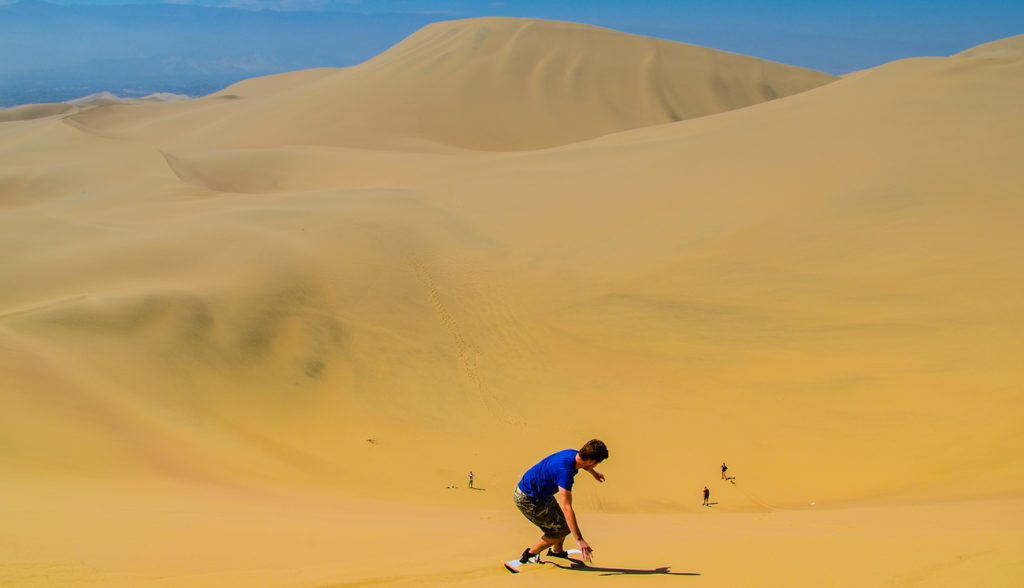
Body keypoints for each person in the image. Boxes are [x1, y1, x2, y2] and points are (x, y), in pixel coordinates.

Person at [506, 439, 608, 571]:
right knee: (560, 531)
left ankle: (557, 551)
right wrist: (579, 540)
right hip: (527, 498)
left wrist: (594, 473)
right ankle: (529, 556)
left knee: (563, 523)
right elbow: (567, 507)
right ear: (591, 461)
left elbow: (584, 465)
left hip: (540, 493)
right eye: (596, 463)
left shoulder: (573, 454)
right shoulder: (565, 473)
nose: (596, 465)